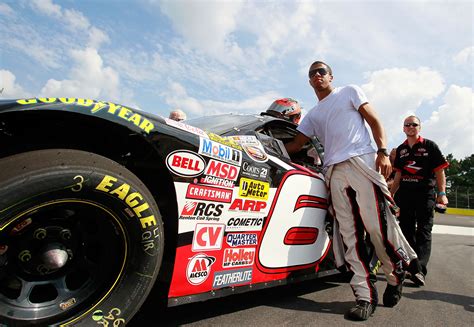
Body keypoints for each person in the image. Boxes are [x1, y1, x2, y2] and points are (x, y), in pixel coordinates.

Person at [285, 60, 418, 321]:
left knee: (377, 228)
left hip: (362, 160)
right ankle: (365, 295)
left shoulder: (349, 92)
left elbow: (374, 120)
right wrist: (259, 145)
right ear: (309, 81)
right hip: (334, 170)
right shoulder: (312, 115)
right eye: (312, 74)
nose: (317, 76)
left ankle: (394, 272)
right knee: (349, 235)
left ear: (331, 76)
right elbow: (296, 144)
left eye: (321, 71)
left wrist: (382, 152)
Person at [390, 115, 449, 286]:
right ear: (403, 128)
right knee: (406, 231)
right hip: (405, 196)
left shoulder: (430, 146)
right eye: (407, 125)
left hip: (425, 194)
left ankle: (419, 270)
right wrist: (391, 195)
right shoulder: (401, 149)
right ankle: (414, 268)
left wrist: (442, 192)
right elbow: (399, 175)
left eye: (414, 124)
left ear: (419, 127)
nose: (410, 127)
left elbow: (440, 171)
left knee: (423, 231)